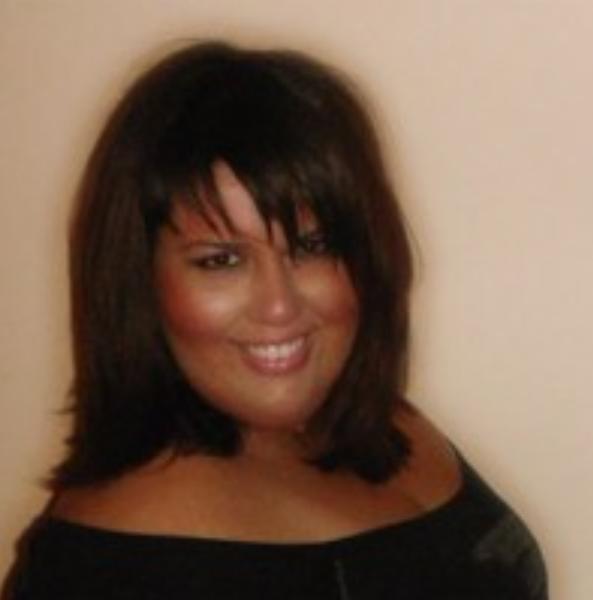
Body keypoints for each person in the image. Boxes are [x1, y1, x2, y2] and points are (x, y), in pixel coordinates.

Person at [2, 41, 547, 599]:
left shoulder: (387, 428)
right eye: (221, 260)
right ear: (139, 281)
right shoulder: (102, 569)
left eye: (313, 246)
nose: (279, 305)